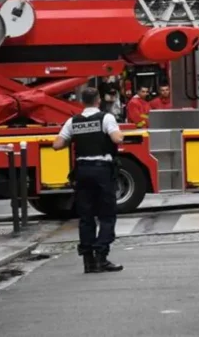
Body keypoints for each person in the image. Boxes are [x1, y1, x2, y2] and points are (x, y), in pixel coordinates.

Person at [53, 87, 125, 273]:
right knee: (106, 215)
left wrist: (75, 138)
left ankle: (88, 261)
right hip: (101, 171)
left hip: (82, 171)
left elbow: (57, 145)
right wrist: (120, 135)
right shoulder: (106, 118)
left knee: (86, 217)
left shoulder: (73, 121)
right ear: (98, 100)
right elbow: (117, 139)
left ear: (82, 102)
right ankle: (101, 257)